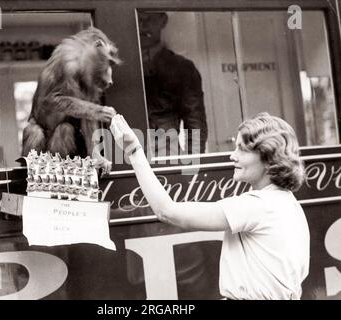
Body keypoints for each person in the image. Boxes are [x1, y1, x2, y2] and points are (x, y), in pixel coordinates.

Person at [110, 112, 310, 300]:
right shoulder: (289, 205)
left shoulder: (259, 206)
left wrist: (134, 151)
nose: (233, 156)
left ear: (268, 158)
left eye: (242, 149)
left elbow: (167, 211)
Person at [138, 12, 208, 155]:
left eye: (149, 18)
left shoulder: (182, 68)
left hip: (166, 159)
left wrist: (192, 167)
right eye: (138, 19)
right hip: (123, 158)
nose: (142, 26)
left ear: (163, 20)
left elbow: (195, 123)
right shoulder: (115, 68)